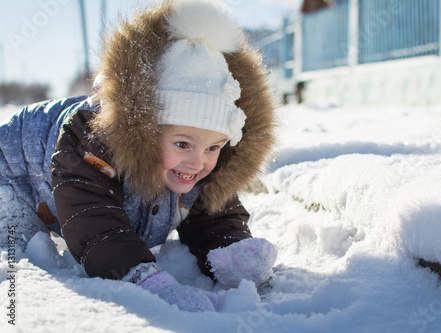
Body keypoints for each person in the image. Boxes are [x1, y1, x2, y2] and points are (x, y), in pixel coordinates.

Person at [0, 0, 278, 312]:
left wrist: (232, 251)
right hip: (12, 176)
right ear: (144, 134)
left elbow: (214, 215)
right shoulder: (92, 144)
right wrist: (145, 280)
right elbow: (97, 226)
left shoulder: (199, 167)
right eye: (183, 144)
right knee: (18, 253)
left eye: (213, 147)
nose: (198, 162)